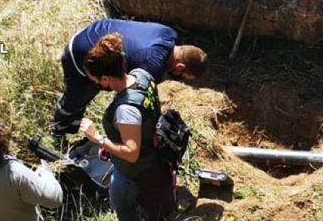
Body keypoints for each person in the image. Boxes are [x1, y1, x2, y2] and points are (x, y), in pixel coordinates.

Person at [78, 33, 177, 221]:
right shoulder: (141, 75)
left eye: (95, 80)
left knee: (119, 200)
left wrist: (98, 139)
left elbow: (131, 153)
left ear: (105, 79)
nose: (95, 84)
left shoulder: (126, 110)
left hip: (135, 172)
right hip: (156, 155)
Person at [52, 18, 208, 135]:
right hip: (81, 53)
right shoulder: (154, 64)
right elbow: (129, 96)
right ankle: (59, 128)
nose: (180, 80)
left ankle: (72, 123)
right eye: (183, 77)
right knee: (78, 95)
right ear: (180, 67)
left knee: (91, 90)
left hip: (96, 30)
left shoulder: (169, 33)